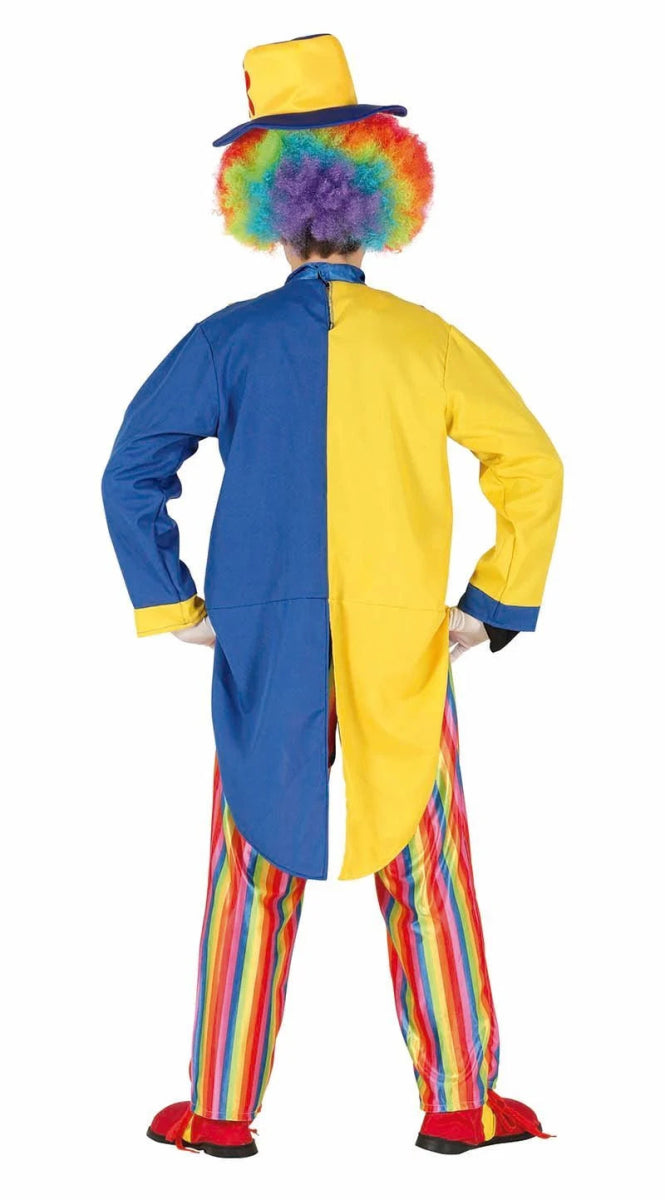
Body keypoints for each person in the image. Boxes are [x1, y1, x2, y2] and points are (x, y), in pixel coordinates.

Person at [102, 33, 563, 1158]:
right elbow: (532, 464)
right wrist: (491, 603)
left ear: (266, 207)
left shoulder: (225, 341)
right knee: (427, 860)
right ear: (377, 197)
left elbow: (132, 469)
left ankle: (219, 1110)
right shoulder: (426, 342)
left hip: (262, 641)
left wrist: (176, 603)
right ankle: (460, 1101)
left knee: (250, 864)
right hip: (405, 640)